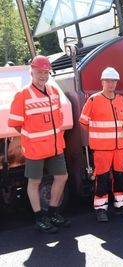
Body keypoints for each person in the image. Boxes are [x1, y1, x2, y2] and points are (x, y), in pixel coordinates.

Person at [8, 55, 70, 233]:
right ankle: (39, 218)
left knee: (62, 177)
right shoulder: (23, 95)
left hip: (55, 145)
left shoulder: (53, 91)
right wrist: (31, 135)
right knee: (34, 182)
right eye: (39, 72)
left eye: (46, 72)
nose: (43, 75)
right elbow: (15, 123)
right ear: (32, 72)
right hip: (35, 148)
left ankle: (52, 213)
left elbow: (58, 116)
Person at [79, 67, 123, 222]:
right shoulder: (93, 99)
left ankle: (120, 205)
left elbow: (121, 122)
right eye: (108, 81)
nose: (111, 84)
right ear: (102, 82)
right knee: (102, 177)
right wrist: (98, 137)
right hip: (102, 148)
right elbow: (83, 122)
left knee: (119, 176)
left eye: (114, 81)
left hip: (119, 147)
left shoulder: (120, 99)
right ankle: (100, 209)